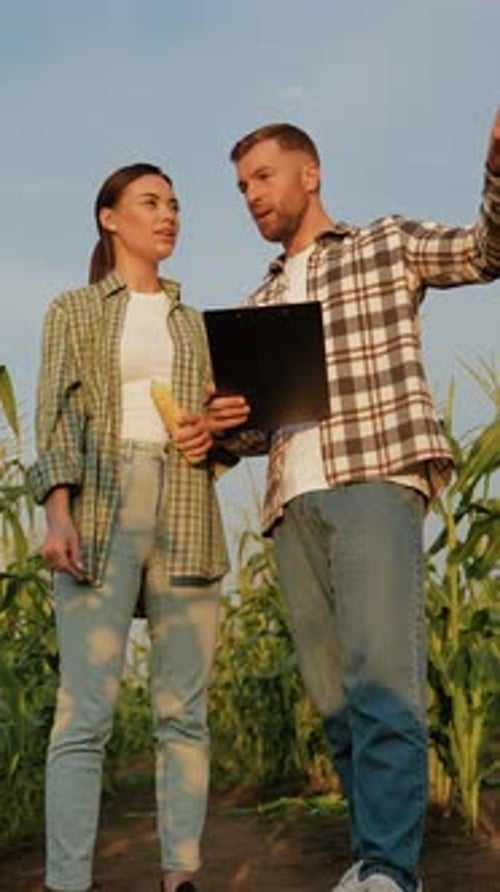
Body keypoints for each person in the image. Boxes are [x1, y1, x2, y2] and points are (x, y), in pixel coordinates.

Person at [206, 111, 500, 892]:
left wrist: (498, 172)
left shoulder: (384, 245)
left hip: (372, 477)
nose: (251, 196)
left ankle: (392, 870)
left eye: (263, 177)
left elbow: (485, 250)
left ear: (311, 173)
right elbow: (248, 436)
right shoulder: (255, 300)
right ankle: (374, 858)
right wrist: (223, 427)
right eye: (241, 187)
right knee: (336, 701)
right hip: (291, 505)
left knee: (382, 682)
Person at [28, 162, 234, 892]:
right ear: (110, 218)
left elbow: (225, 433)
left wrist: (215, 436)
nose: (168, 215)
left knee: (184, 713)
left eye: (175, 204)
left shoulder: (197, 323)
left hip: (185, 508)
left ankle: (181, 875)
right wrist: (56, 513)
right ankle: (68, 881)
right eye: (151, 202)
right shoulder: (73, 309)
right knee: (84, 715)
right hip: (100, 507)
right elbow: (53, 417)